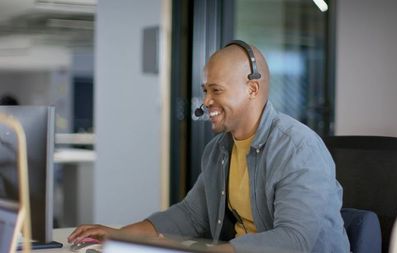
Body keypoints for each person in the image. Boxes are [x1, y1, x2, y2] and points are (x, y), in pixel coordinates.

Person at [68, 41, 350, 253]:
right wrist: (120, 236)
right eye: (205, 90)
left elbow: (293, 239)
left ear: (252, 89)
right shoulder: (219, 150)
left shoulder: (297, 148)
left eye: (216, 90)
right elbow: (191, 215)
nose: (206, 102)